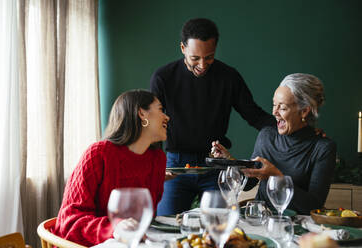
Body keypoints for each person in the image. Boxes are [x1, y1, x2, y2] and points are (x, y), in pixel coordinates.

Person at [150, 18, 275, 215]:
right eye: (195, 58)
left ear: (215, 48)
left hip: (216, 167)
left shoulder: (229, 77)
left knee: (220, 229)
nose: (202, 64)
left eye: (209, 57)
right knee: (165, 225)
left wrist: (294, 128)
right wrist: (154, 166)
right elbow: (151, 125)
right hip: (176, 168)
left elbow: (256, 116)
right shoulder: (163, 77)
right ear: (183, 48)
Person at [53, 89, 170, 246]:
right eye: (160, 109)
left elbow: (143, 221)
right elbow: (69, 222)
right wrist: (114, 228)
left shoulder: (157, 159)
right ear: (142, 113)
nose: (167, 117)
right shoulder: (98, 154)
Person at [211, 73, 336, 214]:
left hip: (299, 225)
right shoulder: (267, 135)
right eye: (274, 105)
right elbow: (248, 183)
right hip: (261, 220)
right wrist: (229, 161)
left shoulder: (323, 148)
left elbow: (314, 205)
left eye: (282, 108)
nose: (274, 112)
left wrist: (277, 177)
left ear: (304, 111)